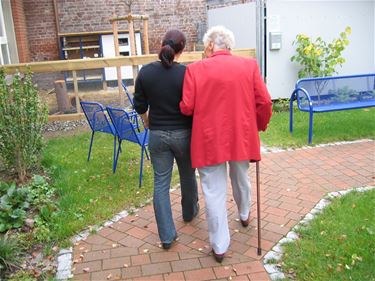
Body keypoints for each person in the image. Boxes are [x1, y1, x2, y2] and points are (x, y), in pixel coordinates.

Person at [180, 25, 272, 262]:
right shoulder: (249, 65)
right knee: (241, 177)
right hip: (241, 136)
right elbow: (264, 101)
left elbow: (187, 107)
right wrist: (258, 125)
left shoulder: (195, 70)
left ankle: (219, 246)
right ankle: (244, 213)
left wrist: (183, 107)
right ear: (229, 45)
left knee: (213, 191)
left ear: (210, 45)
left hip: (209, 139)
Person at [133, 29, 199, 250]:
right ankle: (189, 213)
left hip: (158, 135)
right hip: (184, 135)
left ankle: (167, 236)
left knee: (161, 183)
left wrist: (148, 122)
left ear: (161, 45)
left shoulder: (145, 72)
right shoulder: (186, 73)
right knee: (188, 175)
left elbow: (140, 105)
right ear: (182, 50)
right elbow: (194, 105)